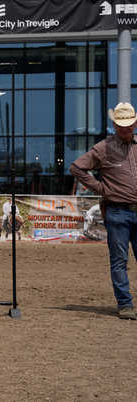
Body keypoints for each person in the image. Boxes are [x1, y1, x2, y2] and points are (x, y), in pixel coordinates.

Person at [70, 102, 137, 320]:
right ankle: (125, 305)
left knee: (120, 260)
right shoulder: (103, 148)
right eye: (122, 125)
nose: (126, 128)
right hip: (117, 211)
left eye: (129, 124)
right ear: (115, 125)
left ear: (135, 123)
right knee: (119, 260)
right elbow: (77, 167)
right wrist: (101, 188)